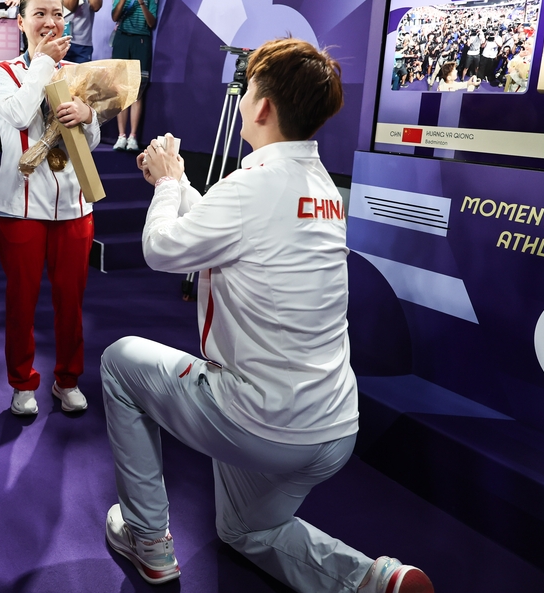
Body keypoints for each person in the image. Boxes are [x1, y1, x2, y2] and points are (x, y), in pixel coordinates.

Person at [99, 38, 435, 593]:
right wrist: (180, 183)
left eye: (250, 86)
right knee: (246, 529)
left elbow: (162, 249)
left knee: (118, 364)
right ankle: (374, 581)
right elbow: (229, 228)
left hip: (262, 421)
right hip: (332, 425)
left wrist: (163, 185)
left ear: (262, 107)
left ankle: (147, 538)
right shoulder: (318, 186)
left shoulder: (255, 186)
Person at [0, 0, 99, 416]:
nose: (51, 21)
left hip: (74, 205)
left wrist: (89, 117)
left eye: (57, 14)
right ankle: (22, 382)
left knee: (71, 300)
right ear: (21, 21)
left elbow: (93, 137)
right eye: (40, 14)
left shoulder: (80, 72)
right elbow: (17, 115)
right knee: (22, 300)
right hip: (19, 206)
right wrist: (45, 62)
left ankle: (67, 379)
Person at [111, 0, 157, 153]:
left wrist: (140, 0)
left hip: (141, 41)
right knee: (121, 91)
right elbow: (115, 16)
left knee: (137, 92)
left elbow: (151, 23)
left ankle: (133, 137)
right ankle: (121, 136)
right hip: (122, 39)